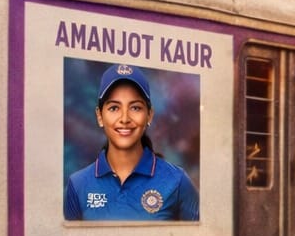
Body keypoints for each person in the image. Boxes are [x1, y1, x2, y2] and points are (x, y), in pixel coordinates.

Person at [64, 63, 200, 221]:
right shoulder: (78, 184)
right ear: (100, 116)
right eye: (114, 108)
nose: (124, 119)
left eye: (135, 108)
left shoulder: (177, 181)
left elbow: (204, 235)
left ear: (149, 115)